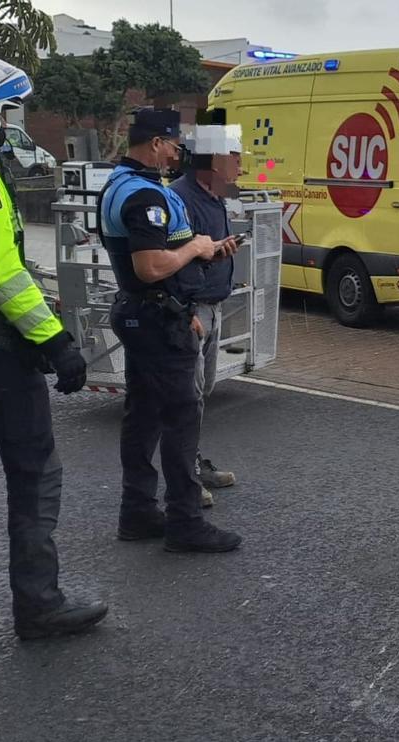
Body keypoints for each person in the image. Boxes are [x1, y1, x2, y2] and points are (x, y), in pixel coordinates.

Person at [0, 50, 108, 639]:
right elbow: (1, 274)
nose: (9, 125)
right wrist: (56, 343)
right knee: (34, 478)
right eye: (5, 113)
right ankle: (39, 605)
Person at [99, 107, 242, 553]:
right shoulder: (145, 196)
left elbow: (163, 252)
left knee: (142, 414)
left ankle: (137, 511)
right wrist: (196, 247)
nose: (178, 152)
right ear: (156, 144)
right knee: (181, 417)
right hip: (158, 316)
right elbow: (150, 265)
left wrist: (205, 252)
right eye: (174, 145)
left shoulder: (118, 184)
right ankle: (185, 522)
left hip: (147, 312)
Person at [170, 121, 242, 506]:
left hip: (212, 305)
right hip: (193, 309)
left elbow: (204, 249)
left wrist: (220, 249)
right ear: (214, 159)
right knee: (187, 396)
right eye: (236, 157)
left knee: (201, 392)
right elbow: (176, 259)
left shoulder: (213, 198)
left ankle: (192, 464)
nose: (241, 167)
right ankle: (183, 479)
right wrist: (185, 312)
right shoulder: (180, 199)